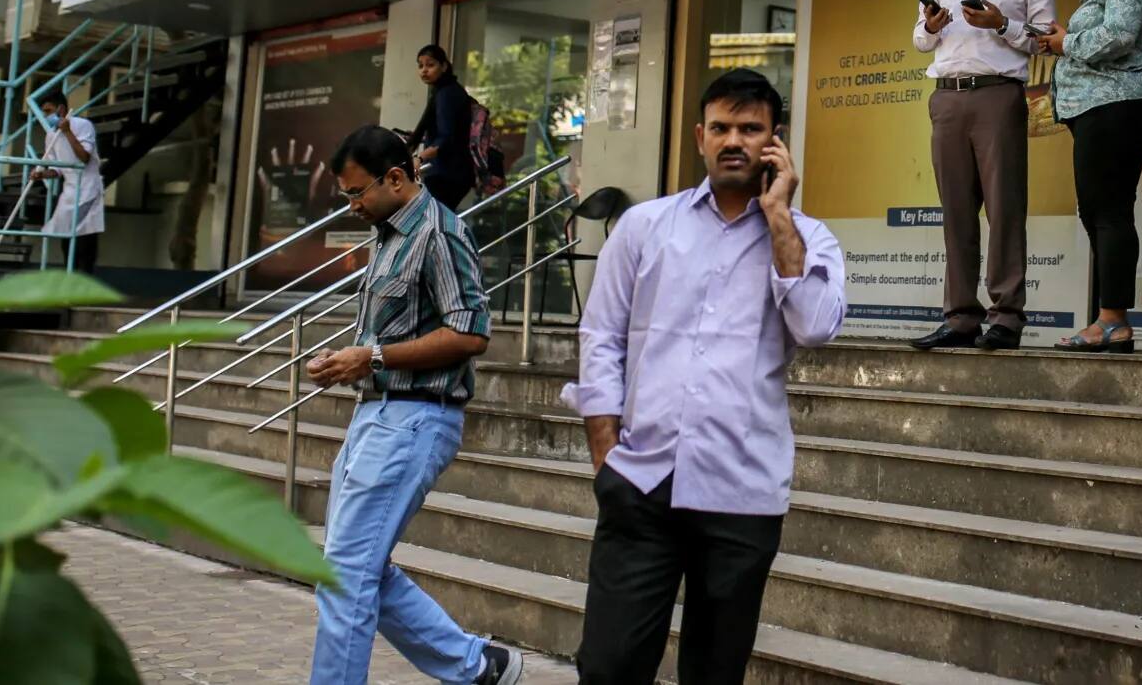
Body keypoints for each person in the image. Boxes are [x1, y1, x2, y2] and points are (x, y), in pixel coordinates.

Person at [572, 70, 844, 685]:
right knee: (609, 667)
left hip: (741, 490)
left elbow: (815, 327)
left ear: (775, 141)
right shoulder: (645, 226)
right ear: (700, 136)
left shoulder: (810, 239)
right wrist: (605, 454)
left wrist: (779, 216)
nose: (733, 141)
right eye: (721, 128)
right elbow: (601, 335)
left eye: (750, 129)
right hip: (641, 481)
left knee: (715, 672)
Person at [305, 125, 521, 685]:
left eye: (357, 192)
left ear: (396, 178)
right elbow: (392, 332)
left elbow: (471, 333)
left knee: (346, 575)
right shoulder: (388, 233)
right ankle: (478, 667)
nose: (351, 205)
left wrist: (372, 357)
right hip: (376, 413)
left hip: (417, 417)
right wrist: (348, 359)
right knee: (354, 568)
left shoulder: (439, 233)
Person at [907, 0, 1056, 352]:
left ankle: (1006, 317)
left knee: (1004, 208)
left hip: (998, 95)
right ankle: (960, 317)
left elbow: (1044, 39)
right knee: (956, 212)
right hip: (947, 98)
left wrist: (1001, 24)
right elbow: (919, 40)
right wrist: (932, 26)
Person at [1040, 0, 1142, 352]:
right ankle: (1110, 319)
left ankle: (1113, 321)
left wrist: (1066, 43)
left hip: (1118, 105)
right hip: (1101, 107)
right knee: (1099, 212)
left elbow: (1119, 34)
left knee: (1109, 212)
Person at [32, 87, 104, 274]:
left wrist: (68, 132)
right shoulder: (51, 135)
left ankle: (84, 281)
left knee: (84, 242)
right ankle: (69, 280)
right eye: (44, 112)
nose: (46, 116)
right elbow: (57, 169)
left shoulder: (83, 125)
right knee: (66, 242)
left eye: (48, 111)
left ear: (61, 109)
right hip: (70, 190)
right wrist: (42, 175)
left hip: (88, 188)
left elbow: (84, 157)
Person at [408, 44, 476, 210]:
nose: (424, 70)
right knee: (435, 219)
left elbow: (446, 137)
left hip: (449, 174)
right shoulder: (446, 91)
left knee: (431, 218)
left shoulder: (446, 94)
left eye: (430, 65)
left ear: (444, 66)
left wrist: (419, 158)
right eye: (421, 66)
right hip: (452, 172)